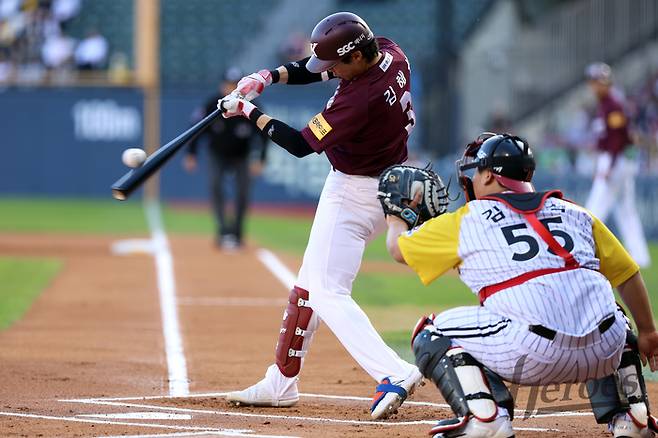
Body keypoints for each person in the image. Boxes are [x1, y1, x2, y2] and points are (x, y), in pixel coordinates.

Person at [383, 132, 658, 437]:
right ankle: (633, 416)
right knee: (611, 313)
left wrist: (397, 215)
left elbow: (397, 249)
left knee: (431, 331)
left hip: (530, 353)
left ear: (488, 176)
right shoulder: (577, 213)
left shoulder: (468, 219)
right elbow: (627, 275)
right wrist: (647, 331)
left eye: (477, 172)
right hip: (603, 353)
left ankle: (485, 418)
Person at [218, 12, 423, 418]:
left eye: (336, 65)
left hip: (356, 191)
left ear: (356, 58)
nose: (329, 72)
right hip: (377, 180)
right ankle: (280, 382)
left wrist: (247, 109)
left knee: (328, 292)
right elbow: (318, 71)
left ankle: (394, 371)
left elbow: (299, 143)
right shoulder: (389, 52)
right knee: (309, 286)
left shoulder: (358, 98)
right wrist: (267, 77)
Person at [184, 66, 267, 249]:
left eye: (234, 85)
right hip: (217, 154)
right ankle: (222, 232)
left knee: (242, 193)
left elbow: (263, 133)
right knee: (215, 186)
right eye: (228, 84)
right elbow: (196, 128)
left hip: (242, 155)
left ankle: (237, 234)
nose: (230, 89)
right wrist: (191, 154)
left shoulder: (250, 106)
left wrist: (260, 158)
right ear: (222, 85)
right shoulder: (212, 104)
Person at [584, 62, 650, 268]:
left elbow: (617, 139)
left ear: (606, 82)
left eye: (597, 81)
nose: (594, 86)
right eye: (593, 81)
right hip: (620, 160)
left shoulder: (612, 103)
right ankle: (640, 256)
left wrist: (608, 166)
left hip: (616, 160)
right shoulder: (608, 103)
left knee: (594, 209)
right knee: (626, 211)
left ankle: (583, 247)